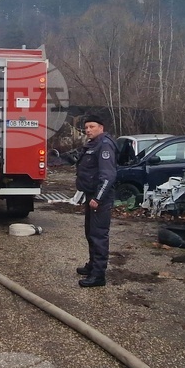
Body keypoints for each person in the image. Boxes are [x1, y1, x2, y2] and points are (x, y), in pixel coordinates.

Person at [74, 114, 118, 287]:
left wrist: (98, 198)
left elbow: (108, 175)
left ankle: (98, 276)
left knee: (99, 235)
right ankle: (92, 266)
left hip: (101, 198)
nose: (88, 130)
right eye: (86, 127)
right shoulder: (93, 144)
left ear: (101, 127)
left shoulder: (105, 145)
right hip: (91, 195)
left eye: (92, 126)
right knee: (90, 233)